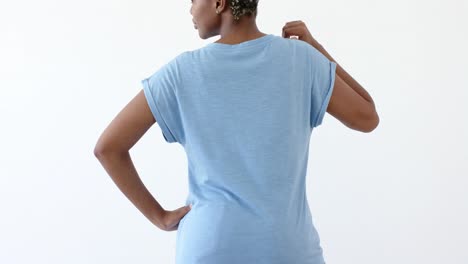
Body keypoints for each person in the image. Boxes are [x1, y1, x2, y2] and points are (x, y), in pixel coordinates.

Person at [94, 0, 379, 263]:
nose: (190, 8)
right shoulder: (300, 59)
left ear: (219, 3)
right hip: (285, 248)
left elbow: (108, 148)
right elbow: (367, 117)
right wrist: (317, 49)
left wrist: (161, 218)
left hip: (208, 246)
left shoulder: (180, 72)